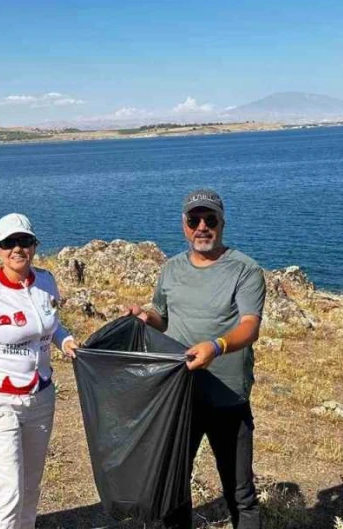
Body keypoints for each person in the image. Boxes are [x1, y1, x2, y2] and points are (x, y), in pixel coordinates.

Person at [127, 189, 265, 529]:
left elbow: (250, 327)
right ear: (184, 225)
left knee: (240, 493)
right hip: (177, 397)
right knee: (172, 486)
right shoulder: (171, 269)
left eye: (210, 219)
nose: (202, 226)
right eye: (194, 220)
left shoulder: (245, 270)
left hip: (227, 397)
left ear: (222, 223)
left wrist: (216, 346)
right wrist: (145, 317)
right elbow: (162, 316)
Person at [0, 213, 79, 529]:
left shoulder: (46, 281)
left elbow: (51, 325)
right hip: (0, 403)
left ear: (34, 246)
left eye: (24, 241)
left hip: (41, 398)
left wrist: (65, 340)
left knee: (30, 487)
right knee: (8, 492)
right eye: (9, 243)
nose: (18, 249)